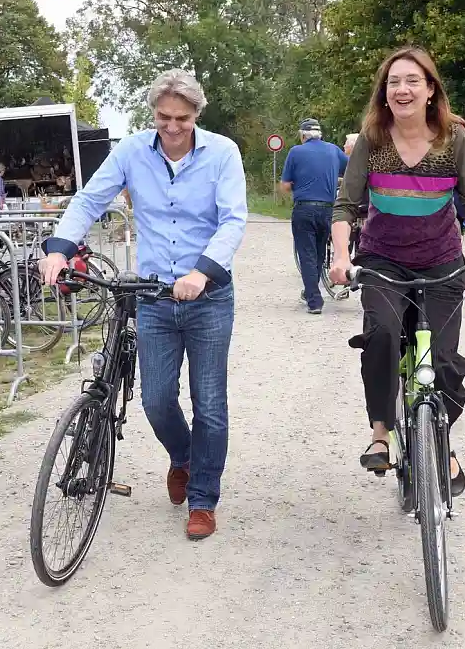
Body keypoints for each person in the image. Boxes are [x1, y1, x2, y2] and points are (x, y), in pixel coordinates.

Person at [39, 68, 247, 540]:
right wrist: (59, 248)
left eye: (182, 118)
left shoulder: (222, 153)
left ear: (197, 115)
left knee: (209, 403)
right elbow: (91, 199)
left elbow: (233, 219)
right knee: (155, 400)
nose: (172, 127)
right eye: (163, 117)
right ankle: (185, 457)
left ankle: (203, 498)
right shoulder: (132, 150)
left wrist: (202, 271)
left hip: (208, 295)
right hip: (153, 296)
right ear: (153, 113)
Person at [328, 46, 465, 497]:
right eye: (394, 82)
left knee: (445, 360)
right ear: (385, 92)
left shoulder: (453, 137)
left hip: (441, 261)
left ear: (430, 89)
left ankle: (443, 438)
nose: (402, 89)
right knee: (382, 335)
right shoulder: (372, 138)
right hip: (382, 260)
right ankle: (382, 433)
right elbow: (347, 204)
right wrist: (339, 257)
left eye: (412, 80)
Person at [280, 118, 348, 314]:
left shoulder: (296, 152)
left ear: (303, 135)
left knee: (306, 254)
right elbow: (352, 170)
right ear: (320, 134)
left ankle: (314, 301)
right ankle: (310, 291)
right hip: (328, 209)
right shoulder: (334, 150)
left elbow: (285, 185)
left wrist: (295, 185)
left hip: (304, 209)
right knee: (319, 253)